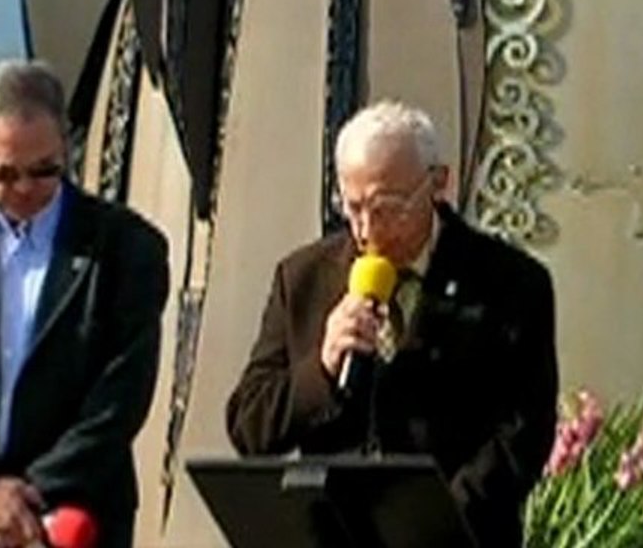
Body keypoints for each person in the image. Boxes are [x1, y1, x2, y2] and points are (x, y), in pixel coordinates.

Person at [226, 100, 558, 547]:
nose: (367, 229)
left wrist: (432, 523)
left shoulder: (512, 284)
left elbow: (522, 434)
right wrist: (322, 367)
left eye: (387, 208)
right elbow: (249, 427)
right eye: (353, 207)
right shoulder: (303, 279)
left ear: (438, 183)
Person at [0, 59, 170, 548]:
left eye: (44, 170)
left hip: (72, 515)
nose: (25, 189)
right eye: (4, 174)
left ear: (66, 144)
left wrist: (25, 502)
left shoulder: (128, 248)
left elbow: (121, 395)